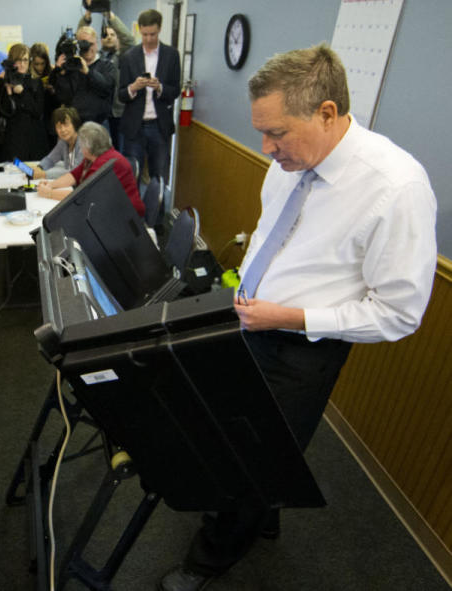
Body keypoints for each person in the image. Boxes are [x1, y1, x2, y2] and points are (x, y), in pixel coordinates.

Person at [158, 44, 437, 591]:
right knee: (250, 436)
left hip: (302, 346)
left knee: (249, 458)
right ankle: (263, 515)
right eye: (260, 132)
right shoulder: (290, 161)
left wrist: (285, 315)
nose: (266, 148)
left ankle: (208, 559)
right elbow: (273, 232)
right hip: (252, 320)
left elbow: (399, 313)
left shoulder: (396, 188)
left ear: (327, 114)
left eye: (277, 133)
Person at [117, 8, 181, 185]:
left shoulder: (172, 55)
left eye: (152, 34)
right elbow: (121, 94)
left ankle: (157, 213)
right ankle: (132, 213)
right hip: (134, 127)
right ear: (139, 31)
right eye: (144, 34)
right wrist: (133, 88)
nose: (148, 39)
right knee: (132, 177)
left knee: (158, 177)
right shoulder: (129, 56)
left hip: (159, 127)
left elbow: (175, 90)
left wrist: (159, 87)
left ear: (159, 29)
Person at [36, 121, 144, 216]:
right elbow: (74, 175)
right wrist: (50, 185)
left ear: (88, 147)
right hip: (109, 208)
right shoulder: (94, 157)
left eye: (81, 144)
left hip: (124, 215)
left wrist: (49, 193)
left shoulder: (105, 164)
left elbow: (82, 197)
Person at [78, 0, 136, 151]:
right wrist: (88, 14)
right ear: (99, 41)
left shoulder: (122, 55)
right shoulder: (95, 58)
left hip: (117, 112)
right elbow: (81, 39)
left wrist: (108, 15)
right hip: (99, 112)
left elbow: (129, 40)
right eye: (106, 35)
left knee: (116, 151)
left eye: (112, 35)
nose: (109, 37)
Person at [51, 26, 117, 125]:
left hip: (99, 123)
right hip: (76, 124)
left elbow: (106, 88)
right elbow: (64, 98)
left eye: (91, 44)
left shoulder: (107, 65)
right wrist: (61, 74)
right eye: (83, 45)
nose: (88, 48)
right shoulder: (71, 68)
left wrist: (88, 71)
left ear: (97, 43)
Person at [0, 43, 49, 162]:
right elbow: (3, 111)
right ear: (12, 62)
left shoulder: (36, 82)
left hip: (34, 136)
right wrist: (8, 90)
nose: (22, 64)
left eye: (25, 60)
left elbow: (38, 111)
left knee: (35, 173)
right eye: (18, 60)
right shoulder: (5, 81)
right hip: (14, 137)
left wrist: (22, 93)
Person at [32, 105, 82, 181]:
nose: (63, 130)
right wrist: (39, 167)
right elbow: (50, 159)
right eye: (59, 127)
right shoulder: (63, 142)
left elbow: (74, 172)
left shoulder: (83, 142)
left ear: (75, 124)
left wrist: (44, 174)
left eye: (66, 125)